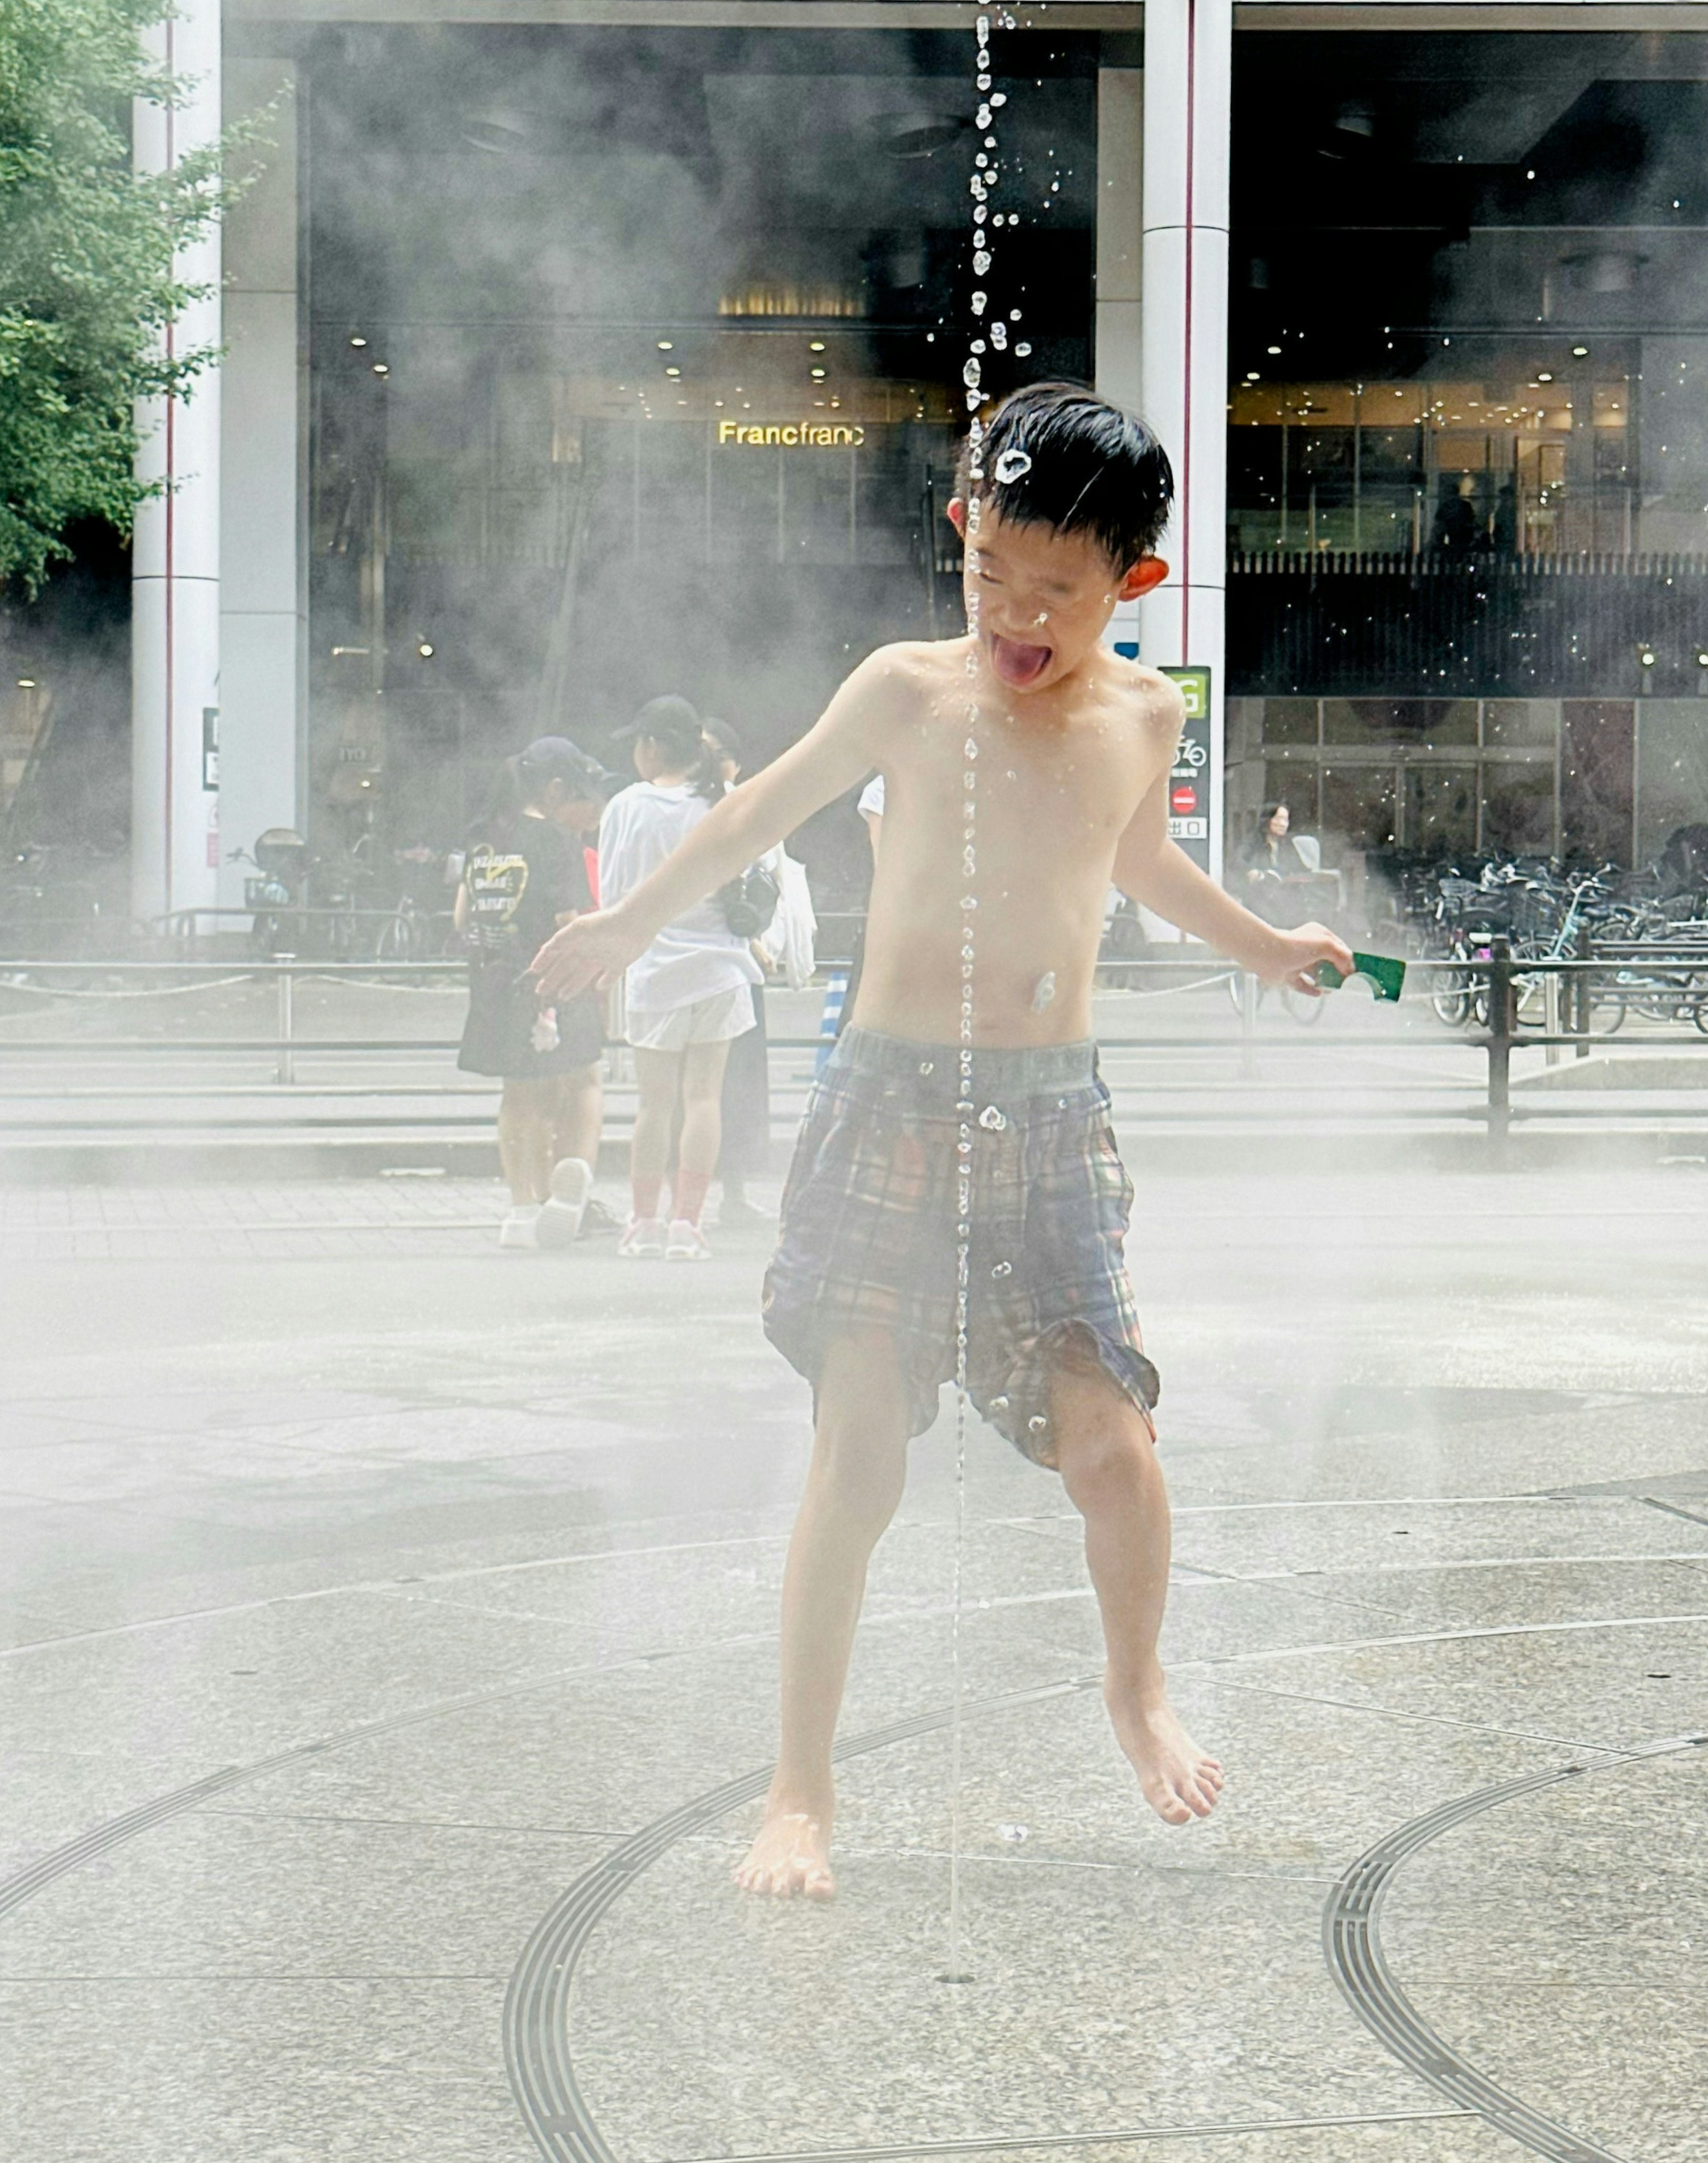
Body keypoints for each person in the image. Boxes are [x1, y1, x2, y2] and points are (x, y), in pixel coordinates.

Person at [534, 385, 1351, 1898]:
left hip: (1052, 1113)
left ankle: (1135, 1684)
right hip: (891, 1096)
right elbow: (755, 813)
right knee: (858, 1453)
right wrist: (628, 918)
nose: (1015, 616)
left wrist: (1263, 945)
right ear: (961, 532)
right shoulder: (909, 691)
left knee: (1114, 1448)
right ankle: (800, 1787)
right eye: (992, 574)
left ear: (1135, 584)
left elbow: (1143, 861)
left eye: (1056, 590)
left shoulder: (1145, 710)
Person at [597, 695, 762, 1261]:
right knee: (704, 1099)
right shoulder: (720, 804)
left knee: (655, 1105)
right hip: (719, 968)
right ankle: (687, 1224)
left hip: (655, 969)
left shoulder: (626, 806)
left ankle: (643, 1220)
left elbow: (614, 895)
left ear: (652, 745)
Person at [455, 737, 610, 1250]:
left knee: (517, 1095)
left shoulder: (483, 837)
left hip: (493, 979)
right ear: (556, 787)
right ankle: (574, 1180)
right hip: (552, 980)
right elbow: (570, 920)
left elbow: (461, 916)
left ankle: (521, 1210)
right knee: (583, 1078)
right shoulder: (557, 840)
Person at [703, 716, 777, 1229]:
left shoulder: (751, 804)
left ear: (734, 760)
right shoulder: (686, 806)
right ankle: (685, 1202)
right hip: (707, 961)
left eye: (715, 751)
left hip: (742, 964)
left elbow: (768, 879)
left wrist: (762, 939)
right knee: (698, 1086)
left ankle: (733, 1192)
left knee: (740, 1083)